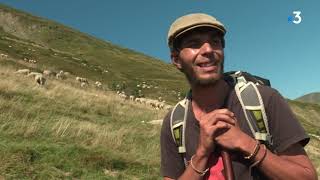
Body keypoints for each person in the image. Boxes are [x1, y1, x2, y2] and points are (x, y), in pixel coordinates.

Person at [160, 13, 317, 180]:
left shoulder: (265, 100)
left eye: (215, 42)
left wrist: (245, 143)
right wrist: (201, 155)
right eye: (194, 44)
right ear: (176, 60)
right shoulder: (174, 122)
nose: (208, 50)